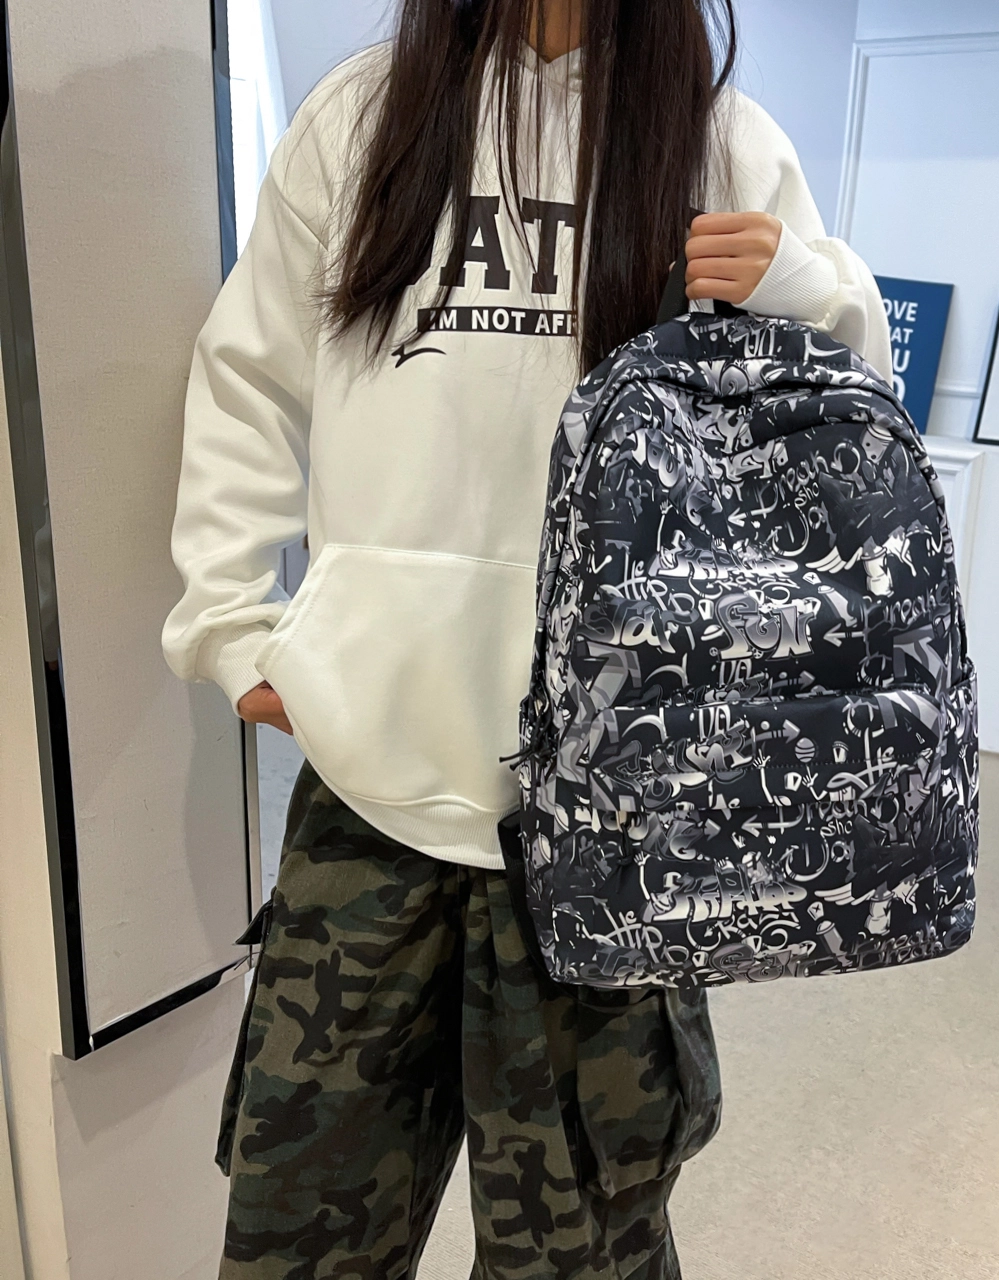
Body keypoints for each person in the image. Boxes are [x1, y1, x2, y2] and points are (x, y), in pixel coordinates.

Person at [162, 1, 892, 1276]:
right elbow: (251, 375)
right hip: (369, 792)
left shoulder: (718, 139)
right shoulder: (361, 118)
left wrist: (803, 288)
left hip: (611, 819)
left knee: (582, 1253)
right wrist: (231, 623)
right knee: (297, 1239)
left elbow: (841, 424)